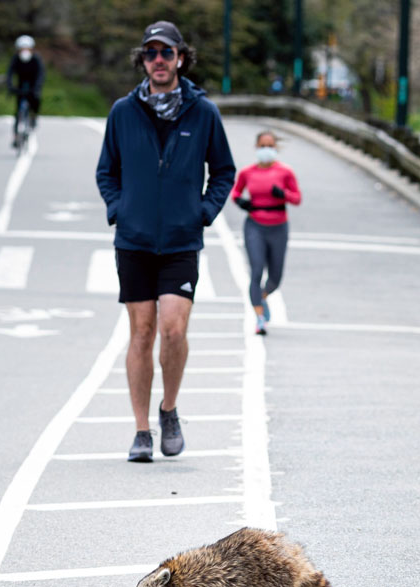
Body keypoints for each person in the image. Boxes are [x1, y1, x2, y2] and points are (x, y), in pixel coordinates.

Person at [95, 20, 235, 463]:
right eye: (151, 53)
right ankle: (141, 432)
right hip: (134, 240)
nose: (159, 60)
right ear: (144, 60)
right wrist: (120, 208)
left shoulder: (203, 112)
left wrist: (204, 212)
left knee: (173, 330)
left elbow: (224, 172)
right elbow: (106, 171)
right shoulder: (123, 112)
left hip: (180, 240)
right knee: (141, 333)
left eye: (166, 52)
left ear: (180, 58)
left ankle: (168, 410)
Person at [231, 131, 301, 335]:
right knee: (256, 270)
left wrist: (284, 194)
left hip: (278, 227)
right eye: (262, 145)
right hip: (255, 225)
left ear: (275, 148)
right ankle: (260, 317)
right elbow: (235, 192)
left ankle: (262, 296)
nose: (266, 150)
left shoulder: (285, 172)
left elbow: (297, 198)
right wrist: (241, 202)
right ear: (256, 147)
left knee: (275, 277)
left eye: (270, 146)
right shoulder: (247, 172)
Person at [6, 35, 45, 148]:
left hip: (33, 85)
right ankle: (16, 137)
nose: (24, 51)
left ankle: (34, 116)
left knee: (36, 100)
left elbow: (41, 75)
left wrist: (37, 87)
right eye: (22, 49)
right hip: (21, 86)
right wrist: (10, 86)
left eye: (27, 49)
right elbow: (9, 74)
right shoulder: (16, 59)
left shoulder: (36, 59)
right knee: (18, 112)